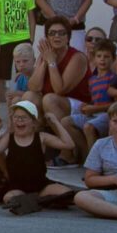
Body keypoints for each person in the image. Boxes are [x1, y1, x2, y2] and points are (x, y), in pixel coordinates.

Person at [24, 17, 91, 166]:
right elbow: (33, 87)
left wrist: (52, 63)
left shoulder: (77, 57)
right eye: (52, 33)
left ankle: (67, 152)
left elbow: (60, 89)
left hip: (78, 103)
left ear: (68, 37)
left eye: (62, 33)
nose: (57, 37)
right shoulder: (46, 55)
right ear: (47, 37)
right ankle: (29, 148)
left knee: (49, 99)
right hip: (56, 102)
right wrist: (44, 62)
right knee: (28, 98)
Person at [0, 101, 76, 213]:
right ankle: (41, 201)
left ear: (33, 121)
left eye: (24, 118)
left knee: (67, 194)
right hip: (17, 187)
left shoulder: (41, 137)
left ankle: (33, 201)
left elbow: (69, 144)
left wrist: (56, 122)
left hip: (41, 186)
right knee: (8, 198)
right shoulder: (9, 137)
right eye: (16, 117)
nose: (19, 121)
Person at [63, 38, 117, 162]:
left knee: (88, 127)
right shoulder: (92, 80)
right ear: (94, 58)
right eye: (99, 56)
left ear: (113, 59)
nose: (102, 59)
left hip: (106, 115)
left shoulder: (114, 78)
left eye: (106, 56)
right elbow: (94, 100)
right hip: (93, 114)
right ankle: (87, 153)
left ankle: (94, 163)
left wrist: (95, 108)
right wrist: (86, 105)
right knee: (66, 122)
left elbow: (116, 104)